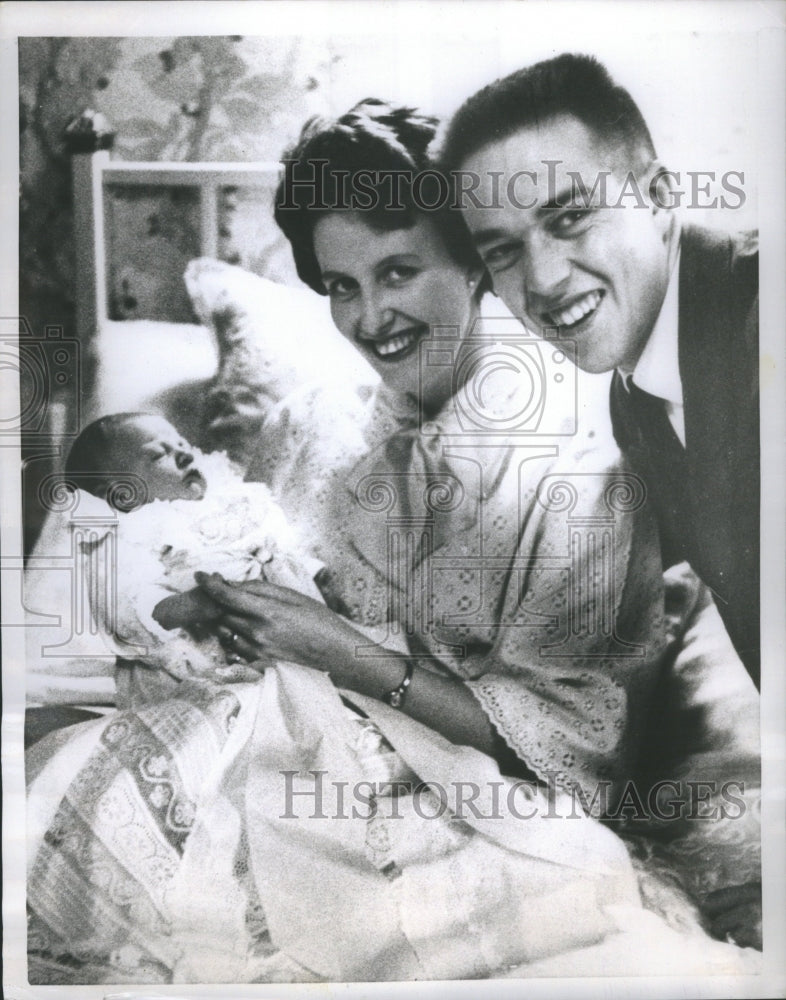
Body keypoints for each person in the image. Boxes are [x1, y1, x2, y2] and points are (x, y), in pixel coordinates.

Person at [25, 102, 759, 984]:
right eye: (341, 286)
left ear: (476, 263)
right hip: (291, 776)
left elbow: (573, 762)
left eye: (399, 271)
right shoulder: (308, 428)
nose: (372, 318)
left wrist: (341, 653)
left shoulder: (584, 457)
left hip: (484, 811)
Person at [439, 53, 760, 689]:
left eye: (570, 218)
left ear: (660, 197)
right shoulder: (630, 394)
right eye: (502, 251)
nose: (543, 280)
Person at [57, 412, 323, 703]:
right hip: (191, 671)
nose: (183, 453)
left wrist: (313, 571)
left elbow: (271, 543)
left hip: (277, 638)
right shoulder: (130, 537)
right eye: (159, 454)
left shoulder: (226, 504)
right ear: (121, 495)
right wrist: (189, 606)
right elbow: (125, 607)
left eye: (182, 443)